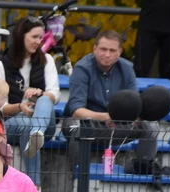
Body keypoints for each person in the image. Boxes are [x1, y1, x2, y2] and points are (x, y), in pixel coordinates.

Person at [64, 30, 158, 162]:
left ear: (119, 52)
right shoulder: (82, 68)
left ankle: (143, 169)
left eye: (112, 50)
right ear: (94, 48)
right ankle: (78, 177)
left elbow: (134, 105)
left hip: (117, 125)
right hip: (87, 123)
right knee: (77, 128)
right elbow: (77, 112)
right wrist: (107, 117)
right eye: (103, 49)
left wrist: (134, 117)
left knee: (151, 126)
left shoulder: (127, 68)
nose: (107, 55)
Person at [0, 17, 59, 189]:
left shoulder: (47, 60)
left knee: (44, 99)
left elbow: (55, 94)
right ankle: (35, 187)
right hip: (14, 121)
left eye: (40, 38)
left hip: (44, 122)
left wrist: (40, 94)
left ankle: (37, 133)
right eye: (34, 37)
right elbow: (0, 107)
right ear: (22, 36)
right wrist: (20, 106)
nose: (38, 42)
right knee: (27, 127)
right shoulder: (2, 66)